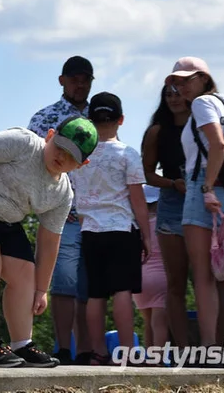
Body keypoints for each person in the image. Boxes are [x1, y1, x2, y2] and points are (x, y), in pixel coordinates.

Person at [0, 115, 98, 368]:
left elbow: (49, 240)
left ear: (82, 164)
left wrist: (41, 290)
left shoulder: (62, 193)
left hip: (2, 217)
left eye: (71, 157)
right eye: (60, 148)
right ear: (50, 135)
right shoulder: (23, 142)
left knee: (25, 274)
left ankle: (23, 344)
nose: (61, 157)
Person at [167, 57, 224, 349]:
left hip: (205, 185)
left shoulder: (203, 104)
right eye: (176, 81)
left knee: (203, 274)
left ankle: (208, 347)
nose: (180, 87)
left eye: (186, 79)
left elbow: (218, 145)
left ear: (203, 78)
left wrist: (206, 187)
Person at [72, 93, 150, 365]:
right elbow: (138, 201)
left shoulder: (81, 155)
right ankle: (126, 353)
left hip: (90, 230)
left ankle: (98, 353)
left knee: (95, 294)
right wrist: (147, 237)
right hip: (121, 229)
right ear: (121, 120)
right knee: (122, 291)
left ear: (89, 120)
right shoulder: (127, 154)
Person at [28, 55, 93, 365]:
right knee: (65, 283)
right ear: (62, 80)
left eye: (86, 79)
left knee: (90, 288)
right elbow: (34, 162)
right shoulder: (46, 117)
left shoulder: (101, 114)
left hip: (99, 216)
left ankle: (88, 350)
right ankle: (64, 347)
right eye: (75, 78)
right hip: (61, 212)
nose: (80, 84)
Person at [140, 84, 191, 348]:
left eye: (179, 92)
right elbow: (146, 173)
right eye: (168, 94)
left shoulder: (203, 124)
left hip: (203, 200)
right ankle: (183, 350)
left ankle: (214, 346)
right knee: (175, 283)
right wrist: (172, 183)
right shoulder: (158, 131)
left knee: (211, 280)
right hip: (171, 202)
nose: (174, 99)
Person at [133, 186, 168, 350]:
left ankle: (149, 357)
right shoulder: (163, 224)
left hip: (139, 278)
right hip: (160, 277)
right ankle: (159, 358)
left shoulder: (137, 226)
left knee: (148, 323)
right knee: (159, 323)